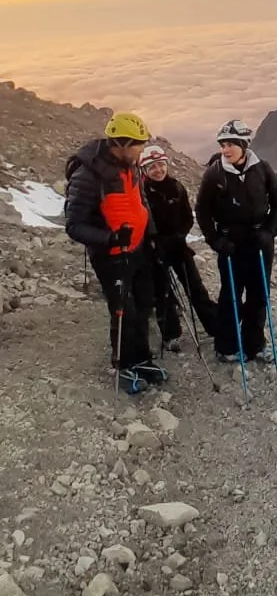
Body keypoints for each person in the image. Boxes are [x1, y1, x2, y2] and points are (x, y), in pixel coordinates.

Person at [64, 111, 167, 393]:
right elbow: (73, 225)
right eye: (138, 145)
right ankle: (122, 365)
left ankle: (141, 359)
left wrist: (153, 233)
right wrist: (110, 239)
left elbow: (140, 201)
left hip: (138, 248)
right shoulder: (88, 175)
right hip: (111, 256)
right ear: (120, 143)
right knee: (123, 309)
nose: (141, 151)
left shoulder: (129, 165)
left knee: (145, 303)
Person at [195, 120, 277, 363]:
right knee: (231, 295)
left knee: (259, 295)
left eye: (231, 144)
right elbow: (202, 211)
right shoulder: (215, 173)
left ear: (244, 145)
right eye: (223, 144)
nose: (226, 150)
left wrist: (269, 231)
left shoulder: (262, 169)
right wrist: (216, 241)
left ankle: (254, 345)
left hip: (259, 242)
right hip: (231, 244)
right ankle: (226, 346)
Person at [139, 143, 217, 351]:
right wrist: (154, 243)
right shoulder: (141, 194)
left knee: (196, 288)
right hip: (156, 252)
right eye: (152, 167)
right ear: (145, 171)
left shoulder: (177, 187)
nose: (158, 170)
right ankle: (170, 335)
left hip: (178, 248)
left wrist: (179, 236)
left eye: (161, 165)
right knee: (163, 294)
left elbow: (187, 217)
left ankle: (215, 326)